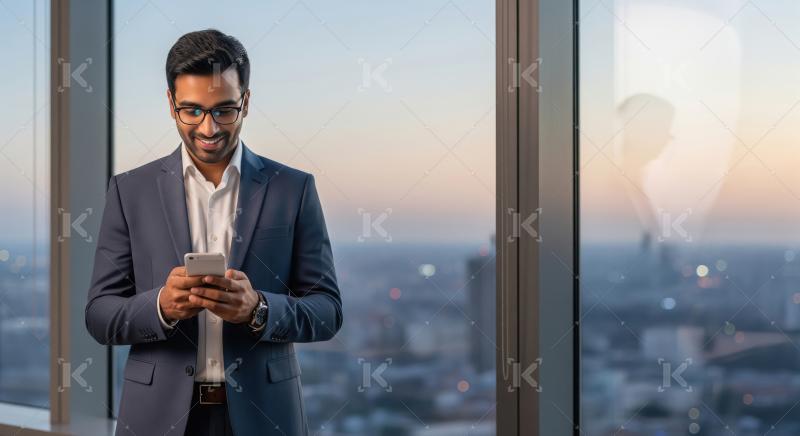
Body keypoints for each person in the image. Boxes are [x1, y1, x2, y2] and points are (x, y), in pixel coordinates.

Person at [85, 29, 343, 436]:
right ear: (171, 104)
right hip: (157, 417)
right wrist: (162, 306)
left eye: (224, 110)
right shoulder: (129, 191)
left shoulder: (293, 189)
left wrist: (258, 309)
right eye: (192, 110)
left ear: (246, 103)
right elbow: (100, 315)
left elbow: (328, 311)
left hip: (264, 415)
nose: (208, 129)